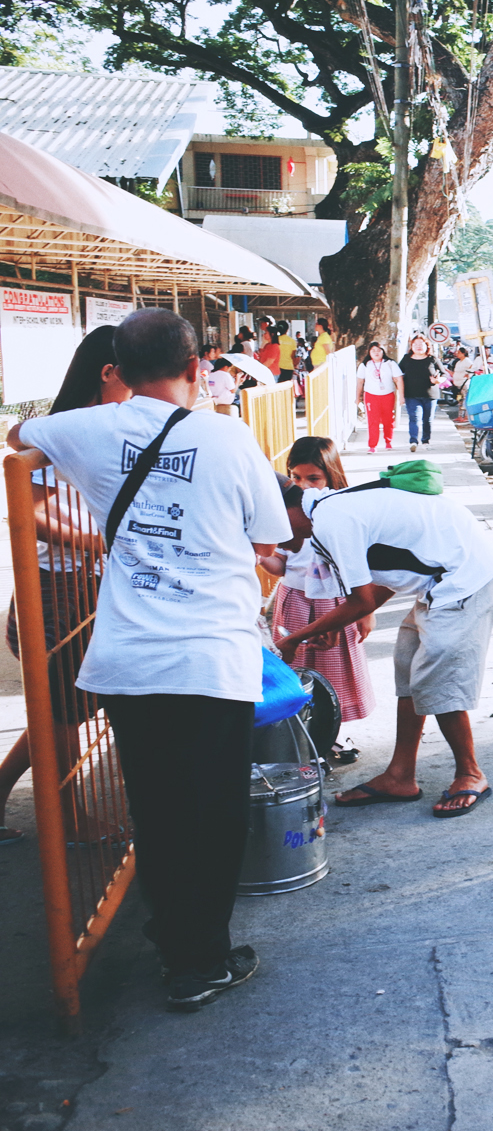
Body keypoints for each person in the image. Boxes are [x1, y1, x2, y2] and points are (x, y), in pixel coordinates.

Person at [7, 307, 290, 1011]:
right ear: (197, 367)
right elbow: (269, 535)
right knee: (214, 810)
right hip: (211, 660)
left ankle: (175, 943)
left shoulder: (86, 429)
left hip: (129, 663)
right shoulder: (228, 437)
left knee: (158, 810)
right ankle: (202, 961)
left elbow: (19, 434)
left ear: (118, 372)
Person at [273, 462, 493, 818]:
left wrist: (295, 640)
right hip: (440, 582)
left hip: (466, 577)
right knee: (409, 668)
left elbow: (361, 601)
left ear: (283, 513)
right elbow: (384, 578)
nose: (271, 539)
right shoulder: (329, 512)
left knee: (436, 673)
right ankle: (400, 776)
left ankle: (470, 773)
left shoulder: (332, 520)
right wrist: (331, 625)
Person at [0, 326, 129, 848]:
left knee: (64, 708)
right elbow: (28, 509)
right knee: (64, 711)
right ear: (107, 373)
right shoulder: (64, 428)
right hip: (54, 592)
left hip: (83, 588)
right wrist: (97, 542)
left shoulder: (108, 423)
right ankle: (69, 819)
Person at [260, 438, 372, 736]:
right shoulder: (286, 513)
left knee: (335, 670)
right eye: (296, 477)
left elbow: (363, 563)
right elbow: (280, 565)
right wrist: (260, 553)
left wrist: (366, 611)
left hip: (337, 604)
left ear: (332, 476)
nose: (304, 486)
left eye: (313, 478)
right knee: (297, 667)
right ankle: (302, 732)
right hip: (294, 601)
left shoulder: (341, 511)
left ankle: (333, 732)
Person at [398, 335, 444, 452]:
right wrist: (400, 395)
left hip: (430, 395)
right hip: (411, 395)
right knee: (414, 418)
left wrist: (438, 380)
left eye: (421, 344)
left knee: (427, 419)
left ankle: (425, 441)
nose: (418, 347)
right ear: (411, 346)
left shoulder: (432, 359)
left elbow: (444, 374)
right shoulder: (406, 359)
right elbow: (398, 375)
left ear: (427, 346)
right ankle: (413, 441)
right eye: (415, 344)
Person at [357, 343, 403, 451]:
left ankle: (388, 441)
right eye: (373, 350)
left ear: (383, 351)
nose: (376, 353)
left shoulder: (390, 363)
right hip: (371, 396)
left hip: (387, 395)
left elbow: (399, 379)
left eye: (379, 350)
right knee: (373, 420)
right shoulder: (365, 365)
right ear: (369, 352)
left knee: (388, 419)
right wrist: (357, 397)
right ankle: (372, 445)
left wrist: (402, 396)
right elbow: (359, 382)